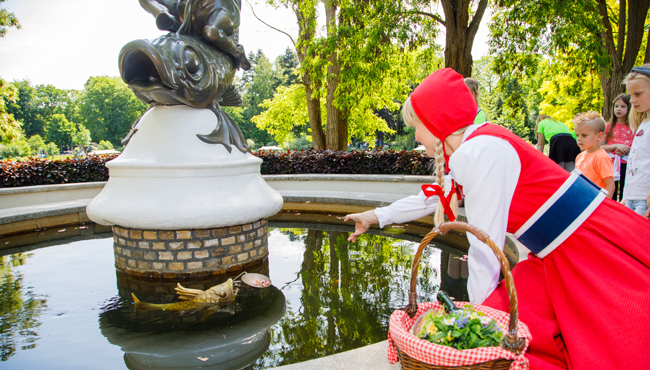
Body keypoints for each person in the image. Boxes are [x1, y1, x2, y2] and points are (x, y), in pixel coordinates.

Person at [345, 68, 650, 369]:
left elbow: (484, 246)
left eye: (417, 126)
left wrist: (480, 329)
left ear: (435, 123)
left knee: (617, 341)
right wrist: (374, 216)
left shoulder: (478, 152)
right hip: (569, 246)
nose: (415, 135)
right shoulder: (478, 143)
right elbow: (434, 195)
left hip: (587, 246)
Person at [138, 0, 251, 70]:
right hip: (188, 7)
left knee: (211, 32)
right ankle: (165, 16)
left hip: (219, 7)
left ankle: (237, 53)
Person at [621, 65, 650, 218]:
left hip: (645, 199)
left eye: (638, 94)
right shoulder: (643, 124)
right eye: (631, 95)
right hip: (632, 196)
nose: (632, 100)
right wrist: (627, 195)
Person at [599, 94, 634, 201]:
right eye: (616, 106)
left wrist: (625, 151)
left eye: (623, 106)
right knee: (611, 190)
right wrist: (616, 146)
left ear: (629, 107)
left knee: (625, 189)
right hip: (611, 163)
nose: (619, 109)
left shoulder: (634, 126)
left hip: (628, 164)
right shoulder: (608, 126)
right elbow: (600, 146)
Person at [573, 112, 615, 198]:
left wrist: (604, 204)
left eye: (584, 135)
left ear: (599, 136)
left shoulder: (601, 157)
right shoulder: (579, 156)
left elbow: (610, 185)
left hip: (595, 203)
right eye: (577, 135)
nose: (579, 139)